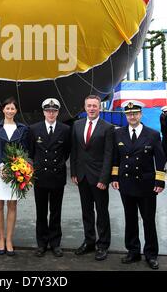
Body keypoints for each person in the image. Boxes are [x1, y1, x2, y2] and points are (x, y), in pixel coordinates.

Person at [112, 100, 166, 270]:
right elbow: (116, 157)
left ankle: (151, 254)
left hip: (147, 184)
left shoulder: (152, 134)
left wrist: (159, 180)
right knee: (130, 219)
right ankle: (133, 251)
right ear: (126, 116)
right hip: (126, 183)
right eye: (129, 114)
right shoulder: (119, 133)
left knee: (149, 220)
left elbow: (160, 158)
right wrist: (114, 177)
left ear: (141, 114)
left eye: (135, 113)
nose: (132, 116)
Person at [71, 94, 114, 261]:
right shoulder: (77, 125)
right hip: (82, 176)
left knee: (102, 212)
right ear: (85, 107)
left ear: (99, 107)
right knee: (86, 212)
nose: (91, 108)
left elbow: (109, 155)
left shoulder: (107, 127)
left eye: (94, 106)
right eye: (89, 105)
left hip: (99, 178)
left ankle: (103, 245)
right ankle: (89, 241)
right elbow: (75, 151)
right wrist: (74, 172)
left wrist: (104, 179)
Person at [29, 98, 71, 258]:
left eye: (54, 111)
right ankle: (41, 243)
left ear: (58, 112)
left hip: (57, 176)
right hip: (40, 176)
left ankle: (55, 243)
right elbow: (31, 152)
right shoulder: (34, 129)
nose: (51, 113)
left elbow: (67, 150)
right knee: (41, 212)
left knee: (55, 212)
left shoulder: (65, 129)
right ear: (43, 112)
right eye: (48, 110)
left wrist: (59, 164)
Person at [0, 97, 29, 256]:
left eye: (13, 109)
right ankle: (1, 239)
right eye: (7, 108)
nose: (10, 111)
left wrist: (16, 168)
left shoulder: (23, 128)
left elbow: (24, 150)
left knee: (12, 205)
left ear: (16, 111)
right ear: (3, 110)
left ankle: (9, 239)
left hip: (15, 172)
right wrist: (1, 165)